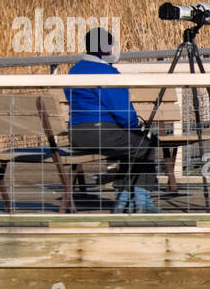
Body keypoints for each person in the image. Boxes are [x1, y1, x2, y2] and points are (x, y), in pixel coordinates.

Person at [66, 27, 161, 213]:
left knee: (133, 147)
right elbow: (123, 113)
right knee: (147, 143)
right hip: (101, 132)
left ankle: (124, 198)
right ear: (106, 49)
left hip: (76, 134)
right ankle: (140, 201)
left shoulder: (75, 70)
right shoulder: (105, 73)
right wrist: (135, 126)